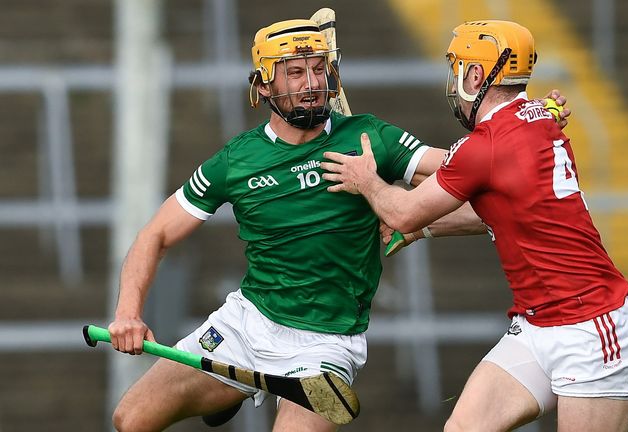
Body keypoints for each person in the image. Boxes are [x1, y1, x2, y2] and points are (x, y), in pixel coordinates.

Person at [107, 17, 569, 432]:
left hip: (324, 345)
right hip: (246, 325)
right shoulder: (236, 160)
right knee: (130, 420)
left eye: (317, 69)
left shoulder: (372, 138)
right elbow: (156, 234)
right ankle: (227, 390)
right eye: (295, 72)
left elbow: (470, 166)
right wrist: (128, 311)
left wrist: (526, 126)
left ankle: (228, 394)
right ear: (263, 86)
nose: (311, 83)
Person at [322, 20, 628, 432]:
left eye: (458, 68)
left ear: (476, 75)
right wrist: (422, 229)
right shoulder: (542, 118)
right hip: (538, 326)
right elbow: (492, 211)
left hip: (591, 328)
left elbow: (403, 211)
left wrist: (368, 183)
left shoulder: (487, 145)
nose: (454, 81)